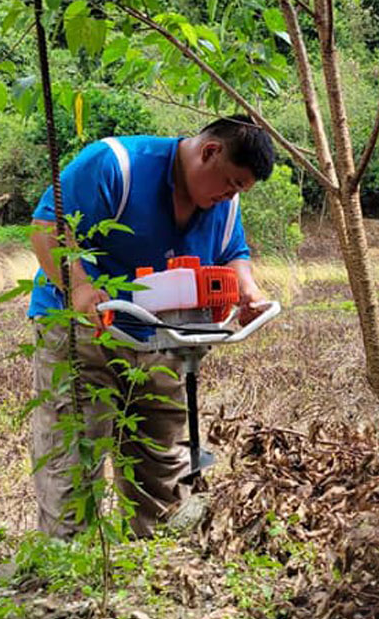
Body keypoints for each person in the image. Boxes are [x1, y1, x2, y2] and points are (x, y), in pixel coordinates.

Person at [26, 116, 275, 538]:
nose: (229, 195)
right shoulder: (116, 164)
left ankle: (158, 560)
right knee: (72, 455)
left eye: (239, 190)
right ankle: (68, 568)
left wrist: (246, 289)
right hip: (85, 330)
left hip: (163, 336)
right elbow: (48, 227)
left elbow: (234, 251)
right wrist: (81, 289)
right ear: (209, 151)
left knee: (162, 462)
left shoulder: (224, 202)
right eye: (230, 182)